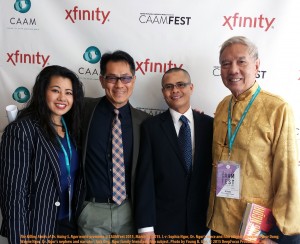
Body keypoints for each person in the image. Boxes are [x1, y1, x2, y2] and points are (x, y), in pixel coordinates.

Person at [207, 36, 300, 244]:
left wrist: (281, 235)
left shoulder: (277, 108)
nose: (233, 70)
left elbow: (287, 175)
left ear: (257, 65)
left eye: (241, 61)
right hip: (220, 224)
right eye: (225, 64)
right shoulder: (223, 106)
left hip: (258, 230)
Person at [0, 65, 84, 244]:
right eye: (55, 90)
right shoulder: (22, 130)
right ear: (42, 92)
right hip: (37, 227)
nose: (62, 97)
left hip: (70, 224)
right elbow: (13, 195)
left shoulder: (72, 129)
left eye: (69, 93)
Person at [77, 50, 150, 241]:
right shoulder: (82, 110)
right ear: (101, 80)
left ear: (133, 80)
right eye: (112, 78)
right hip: (91, 211)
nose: (119, 85)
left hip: (129, 212)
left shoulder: (145, 123)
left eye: (125, 78)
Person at [134, 67, 213, 243]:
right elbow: (145, 179)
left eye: (180, 85)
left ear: (191, 88)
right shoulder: (151, 128)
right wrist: (145, 226)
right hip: (163, 226)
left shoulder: (210, 125)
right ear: (163, 92)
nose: (175, 90)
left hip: (202, 225)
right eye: (169, 86)